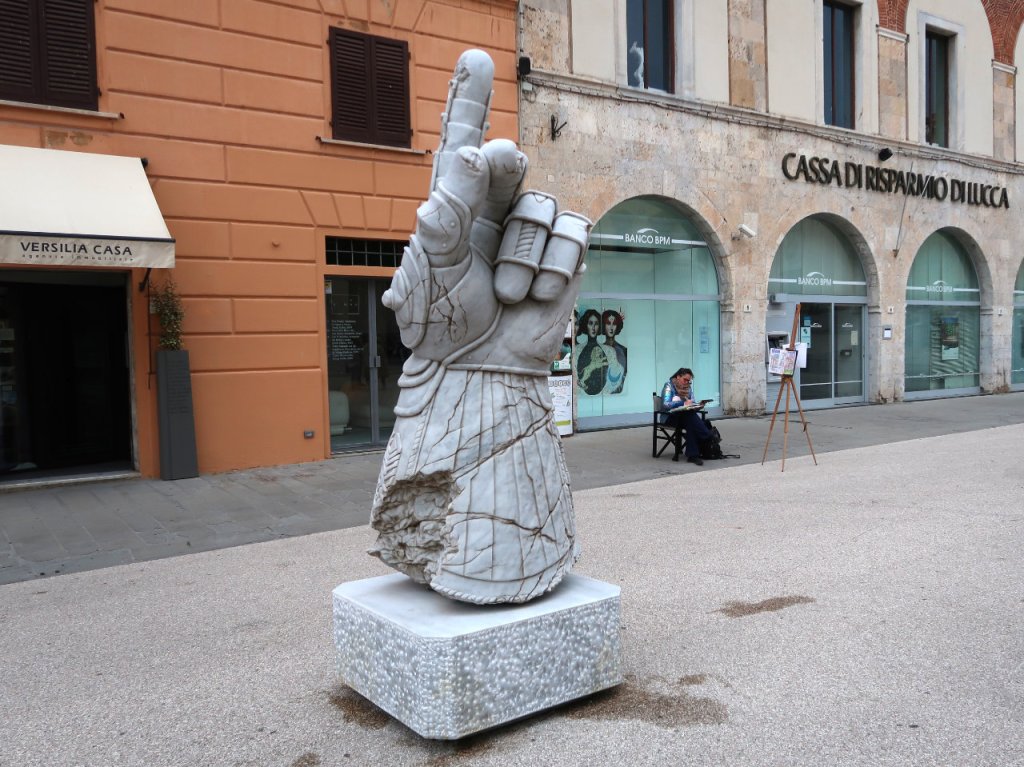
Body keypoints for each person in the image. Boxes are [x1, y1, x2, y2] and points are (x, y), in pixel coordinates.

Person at [660, 367, 713, 465]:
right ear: (678, 376)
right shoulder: (669, 386)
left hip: (684, 416)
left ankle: (693, 455)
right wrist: (682, 404)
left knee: (690, 420)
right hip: (669, 417)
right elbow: (665, 404)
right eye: (685, 380)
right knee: (690, 418)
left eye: (689, 381)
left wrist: (698, 406)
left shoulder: (688, 388)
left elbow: (691, 402)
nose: (687, 383)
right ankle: (706, 435)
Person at [574, 308, 609, 395]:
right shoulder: (578, 349)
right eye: (590, 323)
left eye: (596, 324)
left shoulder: (607, 350)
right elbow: (577, 378)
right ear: (586, 325)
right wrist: (591, 367)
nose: (593, 328)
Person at [601, 309, 627, 394]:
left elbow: (624, 375)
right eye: (608, 323)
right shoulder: (598, 349)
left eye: (614, 324)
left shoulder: (623, 350)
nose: (611, 327)